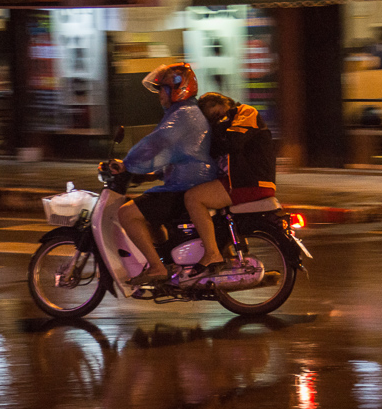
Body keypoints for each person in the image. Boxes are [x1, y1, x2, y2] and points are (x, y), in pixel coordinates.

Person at [110, 63, 216, 286]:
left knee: (127, 213)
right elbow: (176, 154)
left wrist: (126, 164)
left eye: (162, 89)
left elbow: (155, 144)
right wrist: (151, 175)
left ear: (178, 89)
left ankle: (156, 267)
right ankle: (166, 260)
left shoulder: (183, 115)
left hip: (185, 186)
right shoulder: (183, 113)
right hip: (186, 181)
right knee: (147, 213)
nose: (159, 94)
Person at [183, 92, 276, 279]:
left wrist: (216, 127)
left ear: (225, 102)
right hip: (239, 181)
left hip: (251, 181)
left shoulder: (246, 112)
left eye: (217, 114)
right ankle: (223, 255)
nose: (218, 119)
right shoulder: (223, 127)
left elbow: (234, 141)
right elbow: (211, 150)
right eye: (212, 119)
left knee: (193, 198)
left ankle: (212, 253)